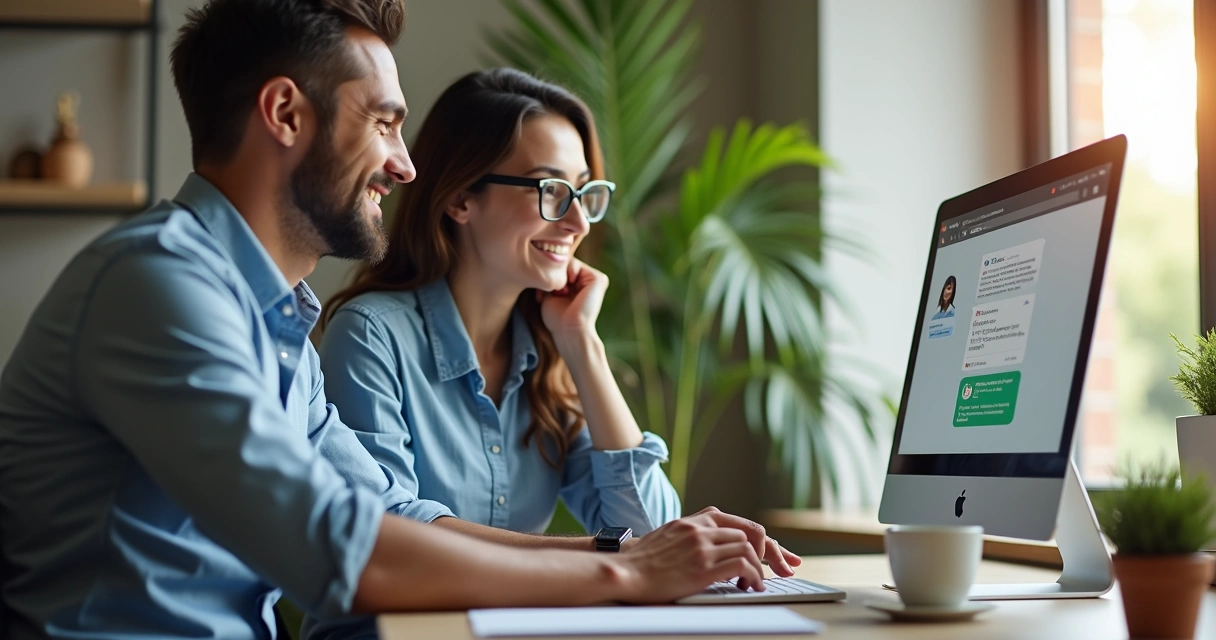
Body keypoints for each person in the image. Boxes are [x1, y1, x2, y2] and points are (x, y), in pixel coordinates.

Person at [0, 2, 797, 639]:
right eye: (383, 122)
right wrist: (628, 572)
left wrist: (625, 548)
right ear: (284, 112)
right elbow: (339, 550)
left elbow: (385, 511)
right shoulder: (159, 284)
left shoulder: (277, 330)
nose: (405, 163)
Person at [316, 69, 680, 548]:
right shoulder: (371, 336)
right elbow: (392, 536)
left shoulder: (550, 353)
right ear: (460, 198)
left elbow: (654, 534)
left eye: (584, 193)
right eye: (549, 190)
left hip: (514, 625)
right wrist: (592, 554)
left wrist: (582, 344)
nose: (578, 223)